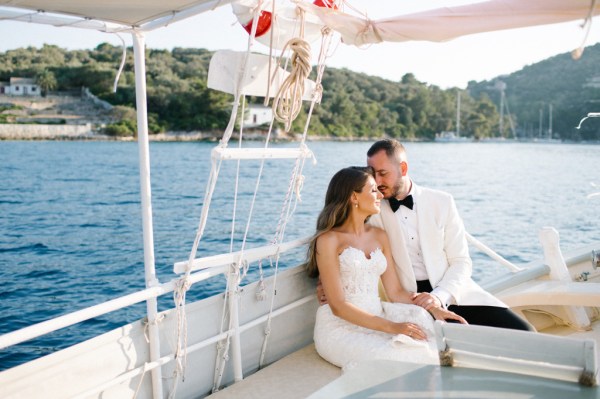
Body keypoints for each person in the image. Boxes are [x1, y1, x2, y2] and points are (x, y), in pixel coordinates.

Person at [307, 166, 466, 370]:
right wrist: (394, 328)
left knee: (430, 330)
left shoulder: (379, 236)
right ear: (354, 197)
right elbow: (338, 306)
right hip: (341, 326)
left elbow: (396, 292)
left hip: (379, 314)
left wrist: (435, 309)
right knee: (401, 356)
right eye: (373, 190)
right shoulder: (328, 240)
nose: (381, 195)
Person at [365, 138, 533, 331]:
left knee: (525, 332)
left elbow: (461, 261)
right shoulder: (371, 209)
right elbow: (339, 234)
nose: (376, 182)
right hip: (408, 301)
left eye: (382, 173)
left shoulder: (442, 202)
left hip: (452, 292)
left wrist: (439, 296)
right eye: (372, 174)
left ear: (403, 169)